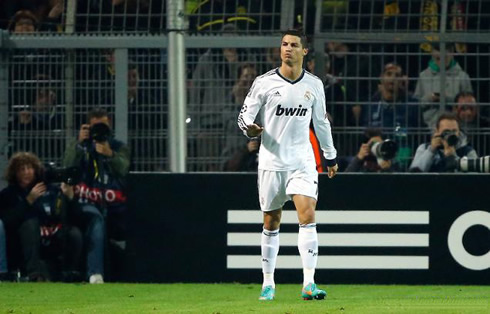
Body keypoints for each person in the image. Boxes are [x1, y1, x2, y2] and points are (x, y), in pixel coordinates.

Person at [237, 29, 338, 301]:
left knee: (307, 214)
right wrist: (251, 130)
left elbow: (321, 123)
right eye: (284, 44)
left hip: (302, 162)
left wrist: (330, 156)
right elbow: (243, 117)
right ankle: (268, 283)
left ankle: (309, 283)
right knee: (271, 222)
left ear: (305, 51)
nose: (288, 49)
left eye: (294, 45)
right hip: (271, 162)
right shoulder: (264, 83)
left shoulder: (314, 85)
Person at [62, 107, 130, 283]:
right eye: (95, 127)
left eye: (103, 126)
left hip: (115, 207)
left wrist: (109, 154)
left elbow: (124, 169)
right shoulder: (80, 146)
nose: (99, 131)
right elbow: (67, 168)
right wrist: (79, 144)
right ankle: (95, 273)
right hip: (83, 205)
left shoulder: (118, 147)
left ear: (110, 126)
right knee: (96, 218)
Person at [0, 152, 83, 282]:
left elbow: (75, 216)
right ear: (14, 173)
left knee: (74, 233)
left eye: (29, 168)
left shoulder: (49, 189)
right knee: (30, 224)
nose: (26, 172)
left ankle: (70, 272)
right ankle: (34, 275)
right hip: (23, 245)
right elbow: (7, 222)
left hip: (51, 237)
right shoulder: (8, 194)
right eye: (22, 169)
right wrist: (28, 201)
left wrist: (70, 197)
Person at [414, 43, 473, 128]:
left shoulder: (462, 77)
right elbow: (415, 104)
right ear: (432, 56)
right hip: (428, 126)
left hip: (456, 126)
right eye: (437, 58)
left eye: (444, 58)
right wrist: (428, 99)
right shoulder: (423, 76)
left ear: (452, 54)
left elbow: (469, 106)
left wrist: (446, 99)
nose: (441, 62)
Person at [409, 112, 477, 172]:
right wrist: (431, 151)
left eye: (454, 131)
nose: (450, 134)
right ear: (437, 131)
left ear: (459, 132)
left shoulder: (468, 151)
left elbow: (474, 177)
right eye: (446, 131)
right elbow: (415, 172)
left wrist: (453, 157)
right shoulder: (424, 148)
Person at [361, 62, 419, 129]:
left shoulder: (412, 105)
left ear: (401, 80)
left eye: (397, 75)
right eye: (389, 74)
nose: (392, 78)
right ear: (381, 78)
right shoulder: (370, 105)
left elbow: (421, 132)